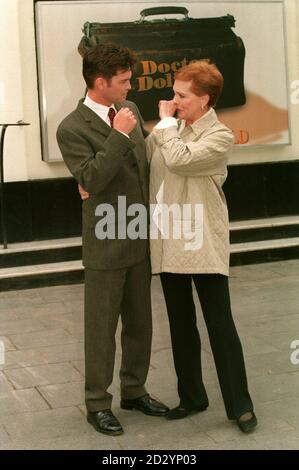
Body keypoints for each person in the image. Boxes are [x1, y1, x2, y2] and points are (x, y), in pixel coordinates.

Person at [56, 43, 168, 436]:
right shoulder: (71, 127)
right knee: (102, 327)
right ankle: (97, 403)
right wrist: (118, 136)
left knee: (141, 322)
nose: (130, 87)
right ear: (99, 82)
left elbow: (142, 166)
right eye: (123, 81)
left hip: (137, 230)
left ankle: (134, 391)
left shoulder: (132, 111)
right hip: (105, 236)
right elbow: (92, 178)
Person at [147, 59, 257, 433]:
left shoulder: (220, 135)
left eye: (181, 95)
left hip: (203, 239)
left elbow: (179, 160)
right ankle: (192, 396)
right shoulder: (169, 129)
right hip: (168, 239)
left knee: (219, 324)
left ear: (205, 99)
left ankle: (240, 405)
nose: (173, 101)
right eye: (175, 93)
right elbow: (144, 163)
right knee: (180, 323)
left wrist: (163, 125)